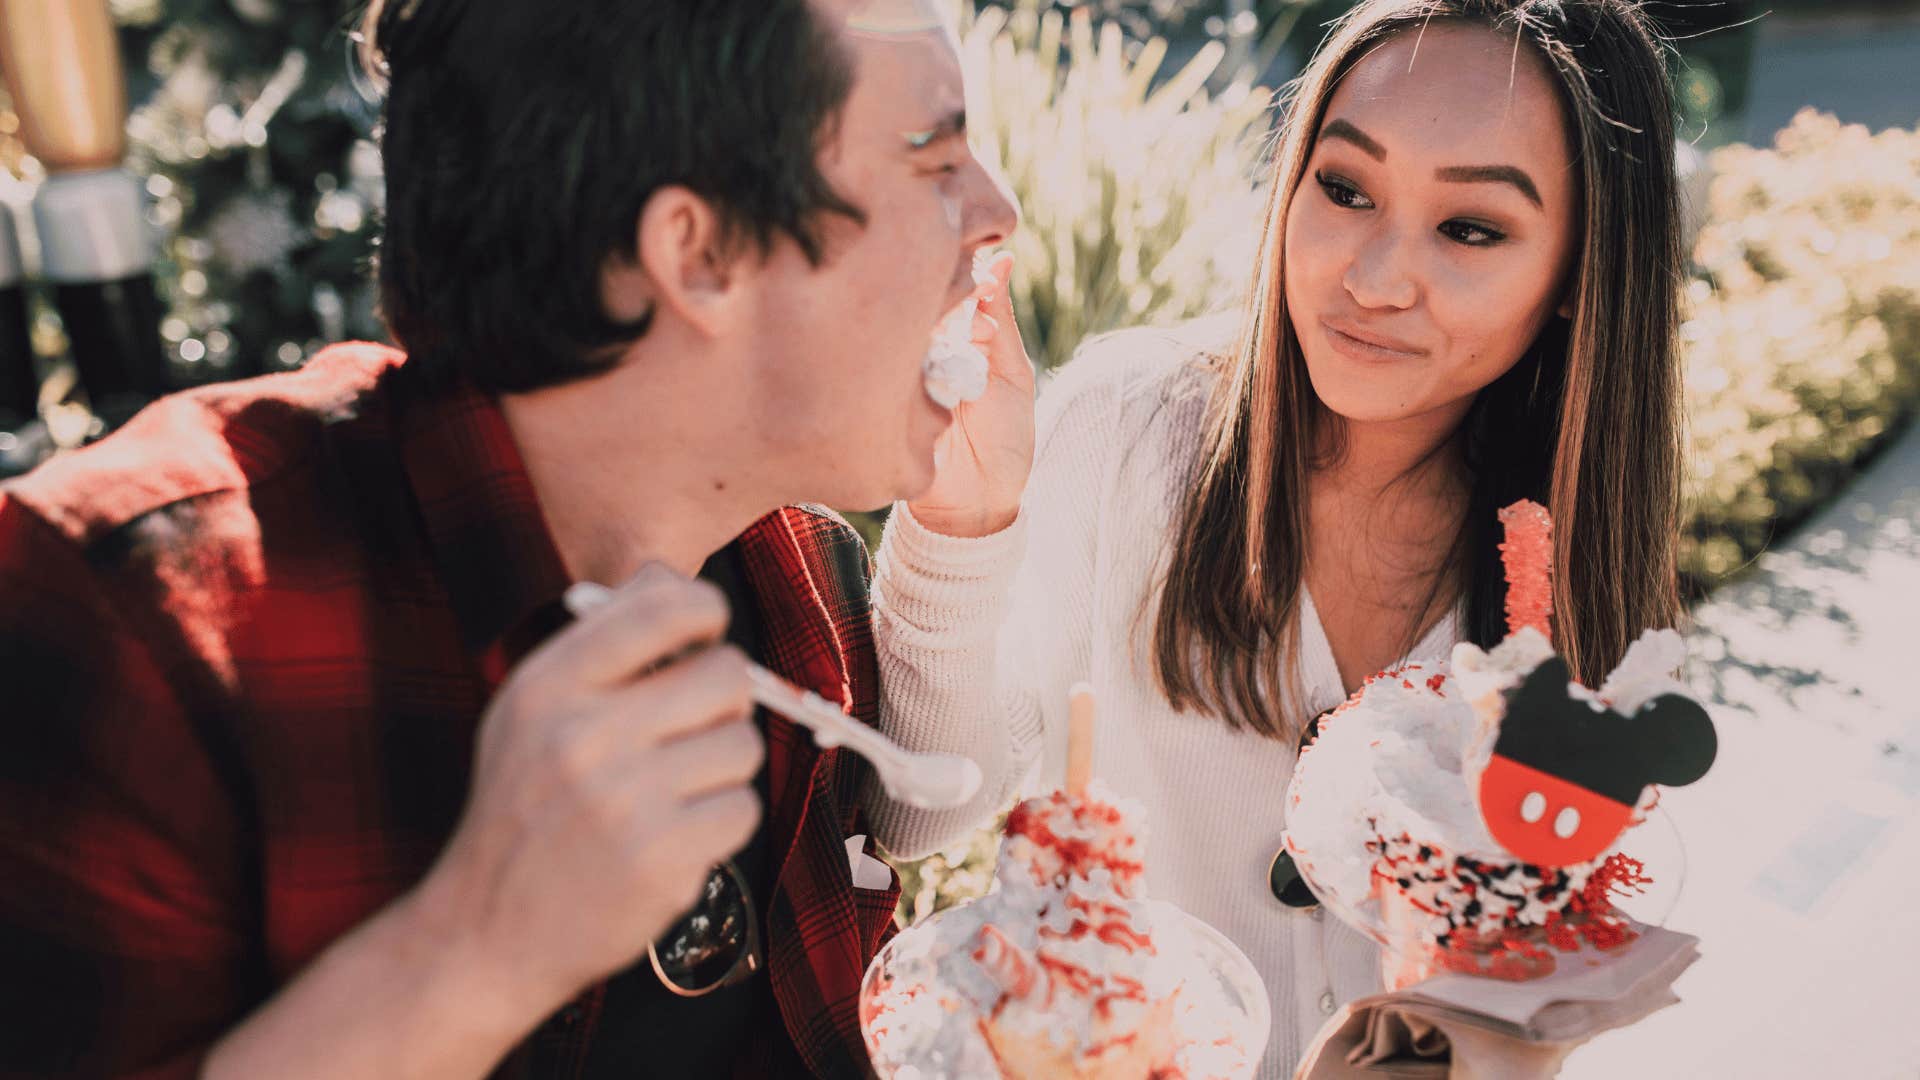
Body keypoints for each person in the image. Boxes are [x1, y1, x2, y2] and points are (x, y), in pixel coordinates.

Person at [0, 0, 1016, 1076]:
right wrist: (477, 951)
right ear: (700, 249)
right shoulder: (129, 624)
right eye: (937, 161)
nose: (996, 212)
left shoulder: (799, 575)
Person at [863, 0, 1686, 1074]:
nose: (1374, 277)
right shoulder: (1127, 433)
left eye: (1470, 228)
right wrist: (957, 525)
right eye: (1344, 189)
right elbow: (914, 812)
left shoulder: (1573, 560)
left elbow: (1532, 953)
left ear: (1581, 272)